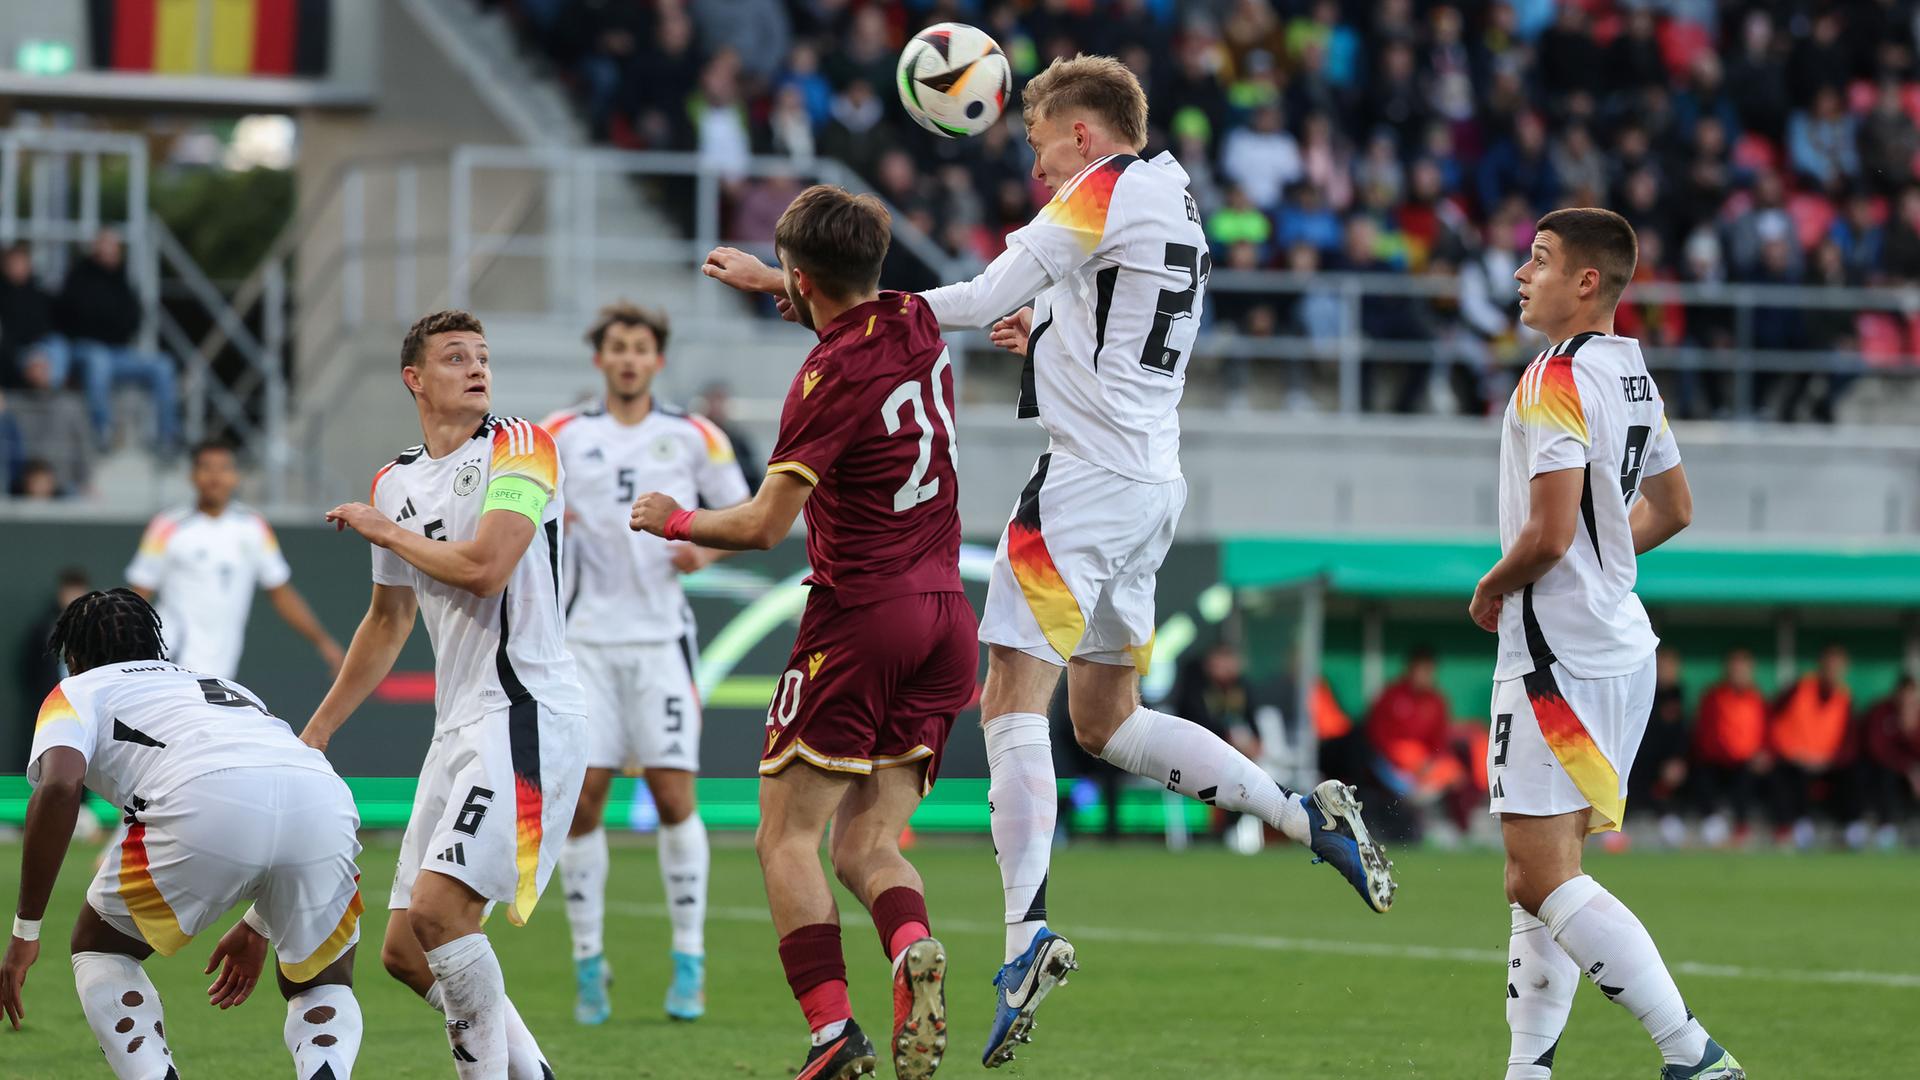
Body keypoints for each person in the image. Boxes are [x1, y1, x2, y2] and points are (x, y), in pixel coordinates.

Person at [889, 54, 1397, 1067]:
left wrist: (858, 308)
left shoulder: (1104, 187)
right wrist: (1045, 334)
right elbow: (1114, 325)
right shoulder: (1175, 196)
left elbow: (984, 288)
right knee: (1103, 718)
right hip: (1152, 484)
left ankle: (1024, 930)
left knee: (1008, 701)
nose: (1036, 169)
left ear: (1083, 134)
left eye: (1039, 145)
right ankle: (1301, 814)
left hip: (1083, 488)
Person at [663, 185, 969, 1080]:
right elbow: (847, 323)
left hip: (860, 618)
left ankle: (834, 1035)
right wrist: (774, 281)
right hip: (948, 617)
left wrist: (673, 519)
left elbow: (762, 526)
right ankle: (909, 943)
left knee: (786, 837)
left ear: (804, 278)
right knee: (867, 845)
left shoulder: (822, 380)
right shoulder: (914, 318)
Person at [1469, 207, 1741, 1080]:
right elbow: (1676, 507)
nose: (1521, 274)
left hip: (1558, 655)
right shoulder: (1632, 374)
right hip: (1620, 645)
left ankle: (1692, 1053)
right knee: (1543, 869)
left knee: (1538, 878)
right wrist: (1601, 554)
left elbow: (1548, 536)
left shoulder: (1555, 377)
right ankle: (1529, 1069)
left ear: (1587, 283)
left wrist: (1493, 585)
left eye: (1539, 261)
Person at [299, 310, 587, 1077]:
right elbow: (388, 621)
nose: (476, 366)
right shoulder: (393, 482)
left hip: (526, 711)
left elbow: (487, 567)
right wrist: (319, 731)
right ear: (414, 380)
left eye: (483, 355)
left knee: (439, 915)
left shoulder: (523, 447)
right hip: (457, 726)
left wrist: (384, 532)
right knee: (401, 948)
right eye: (455, 356)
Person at [0, 589, 365, 1079]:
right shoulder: (222, 683)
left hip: (202, 802)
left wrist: (26, 930)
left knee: (101, 945)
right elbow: (277, 800)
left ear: (72, 655)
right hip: (325, 797)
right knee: (321, 980)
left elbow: (61, 784)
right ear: (154, 643)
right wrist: (262, 922)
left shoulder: (76, 690)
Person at [541, 302, 750, 1025]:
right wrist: (547, 521)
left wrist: (706, 547)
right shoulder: (560, 435)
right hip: (586, 644)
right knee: (585, 803)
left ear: (658, 360)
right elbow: (512, 512)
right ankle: (588, 963)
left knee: (672, 797)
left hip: (662, 640)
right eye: (617, 348)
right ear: (599, 359)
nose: (628, 358)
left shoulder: (693, 436)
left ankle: (688, 961)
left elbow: (746, 515)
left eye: (640, 348)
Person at [127, 441, 344, 680]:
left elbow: (280, 592)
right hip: (171, 659)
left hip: (222, 668)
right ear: (193, 476)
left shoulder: (254, 527)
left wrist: (323, 642)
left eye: (224, 468)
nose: (215, 477)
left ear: (236, 476)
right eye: (206, 468)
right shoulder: (167, 526)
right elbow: (139, 594)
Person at [55, 230, 180, 450]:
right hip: (82, 351)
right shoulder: (77, 277)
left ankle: (167, 438)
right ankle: (102, 432)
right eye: (104, 247)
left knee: (163, 365)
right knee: (98, 360)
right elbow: (72, 317)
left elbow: (132, 320)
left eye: (113, 248)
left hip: (118, 352)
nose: (109, 253)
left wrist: (106, 321)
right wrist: (105, 322)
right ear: (95, 249)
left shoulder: (123, 281)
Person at [1364, 647, 1470, 841]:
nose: (1425, 676)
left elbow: (1440, 742)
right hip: (1392, 765)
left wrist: (1429, 763)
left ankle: (1460, 831)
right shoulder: (1391, 695)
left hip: (1426, 765)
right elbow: (1378, 737)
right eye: (1421, 670)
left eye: (1429, 671)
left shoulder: (1437, 701)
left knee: (1457, 775)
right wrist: (1407, 763)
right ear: (1411, 669)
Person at [1763, 643, 1854, 847]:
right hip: (1791, 759)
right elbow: (1771, 717)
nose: (1833, 671)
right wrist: (1782, 751)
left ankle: (1850, 829)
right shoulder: (1799, 688)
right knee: (1782, 775)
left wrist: (1830, 760)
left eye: (1838, 666)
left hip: (1826, 763)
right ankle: (1790, 828)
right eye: (1829, 665)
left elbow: (1849, 741)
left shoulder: (1844, 697)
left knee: (1854, 775)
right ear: (1820, 665)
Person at [12, 568, 91, 772]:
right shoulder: (43, 627)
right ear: (60, 592)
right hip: (52, 700)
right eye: (69, 591)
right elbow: (27, 667)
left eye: (78, 591)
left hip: (84, 701)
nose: (73, 597)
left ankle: (82, 796)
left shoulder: (95, 627)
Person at [1690, 648, 1767, 847]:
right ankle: (1714, 829)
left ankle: (1743, 830)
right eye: (1734, 668)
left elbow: (1766, 734)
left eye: (1743, 668)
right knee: (1701, 776)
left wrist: (1762, 754)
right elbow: (1704, 733)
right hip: (1715, 762)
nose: (1738, 673)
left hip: (1746, 764)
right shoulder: (1714, 697)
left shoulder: (1757, 700)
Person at [1627, 648, 1691, 847]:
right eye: (1662, 667)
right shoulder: (1640, 695)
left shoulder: (1679, 697)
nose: (1666, 672)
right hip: (1638, 761)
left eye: (1671, 667)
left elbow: (1682, 737)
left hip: (1665, 764)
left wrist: (1678, 760)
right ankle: (1619, 827)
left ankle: (1670, 821)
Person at [1857, 676, 1920, 849]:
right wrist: (1908, 768)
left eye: (1911, 697)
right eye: (1903, 696)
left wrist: (1911, 732)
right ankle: (1886, 828)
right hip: (1884, 770)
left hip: (1912, 773)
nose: (1907, 701)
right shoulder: (1881, 712)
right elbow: (1877, 749)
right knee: (1884, 776)